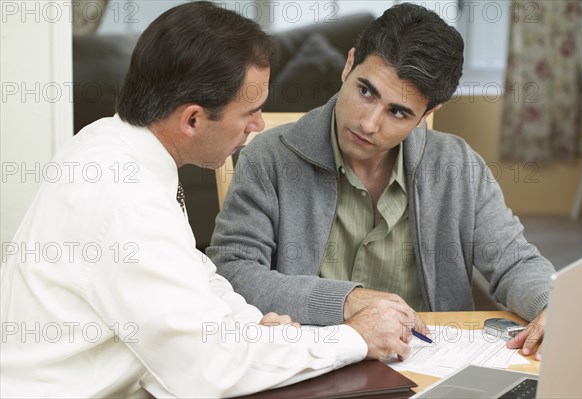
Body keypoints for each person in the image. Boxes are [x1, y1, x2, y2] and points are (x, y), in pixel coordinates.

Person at [0, 2, 426, 398]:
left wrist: (255, 328)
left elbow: (193, 274)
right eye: (250, 112)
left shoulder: (113, 144)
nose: (259, 124)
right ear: (192, 120)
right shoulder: (125, 200)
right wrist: (355, 337)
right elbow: (206, 372)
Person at [207, 3, 555, 361]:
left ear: (427, 114)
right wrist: (347, 300)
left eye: (398, 112)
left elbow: (515, 261)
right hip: (313, 361)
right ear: (349, 64)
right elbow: (234, 271)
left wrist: (553, 305)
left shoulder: (458, 166)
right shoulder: (269, 158)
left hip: (430, 366)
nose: (369, 124)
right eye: (366, 92)